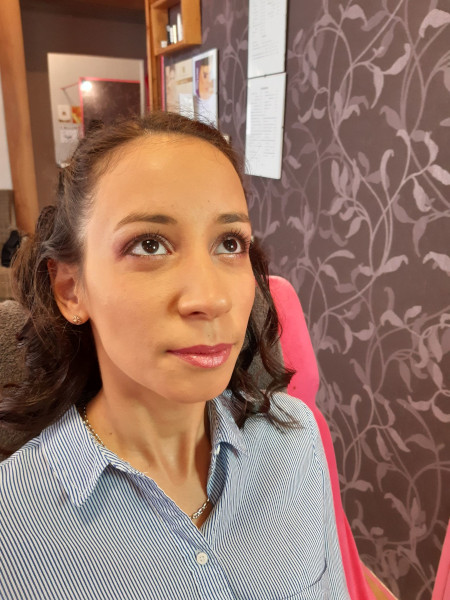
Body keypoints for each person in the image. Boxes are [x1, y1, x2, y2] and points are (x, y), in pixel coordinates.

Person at [0, 112, 350, 599]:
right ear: (71, 289)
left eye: (230, 243)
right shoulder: (13, 527)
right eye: (149, 245)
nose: (210, 298)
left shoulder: (293, 440)